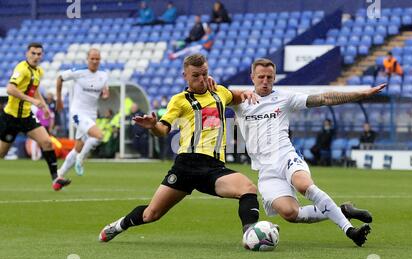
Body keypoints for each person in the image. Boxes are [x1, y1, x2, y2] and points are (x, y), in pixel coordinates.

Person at [98, 53, 261, 243]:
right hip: (187, 165)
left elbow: (236, 96)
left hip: (214, 168)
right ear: (185, 76)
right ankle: (118, 226)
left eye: (204, 74)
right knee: (151, 214)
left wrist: (246, 93)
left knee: (248, 188)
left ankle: (251, 236)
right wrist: (152, 126)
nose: (201, 79)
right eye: (195, 76)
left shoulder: (220, 92)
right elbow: (163, 130)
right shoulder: (179, 100)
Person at [231, 58, 386, 247]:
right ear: (252, 77)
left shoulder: (284, 98)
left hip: (286, 156)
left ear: (274, 78)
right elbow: (214, 95)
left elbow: (323, 98)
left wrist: (360, 94)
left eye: (269, 77)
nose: (265, 81)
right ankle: (343, 210)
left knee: (304, 185)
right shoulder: (239, 101)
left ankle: (349, 230)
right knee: (291, 214)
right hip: (266, 170)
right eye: (261, 77)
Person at [0, 42, 71, 190]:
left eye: (39, 54)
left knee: (47, 142)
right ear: (27, 54)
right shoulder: (21, 69)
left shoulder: (39, 72)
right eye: (33, 53)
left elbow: (35, 90)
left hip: (26, 117)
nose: (36, 56)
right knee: (1, 153)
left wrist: (44, 107)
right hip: (10, 118)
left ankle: (56, 179)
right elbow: (10, 89)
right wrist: (32, 100)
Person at [56, 48, 109, 177]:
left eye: (97, 59)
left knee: (78, 147)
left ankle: (59, 174)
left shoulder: (103, 75)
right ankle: (81, 159)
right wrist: (59, 99)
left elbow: (105, 89)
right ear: (87, 59)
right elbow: (60, 78)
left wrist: (106, 93)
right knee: (99, 136)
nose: (95, 61)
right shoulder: (79, 72)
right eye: (92, 58)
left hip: (91, 115)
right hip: (78, 113)